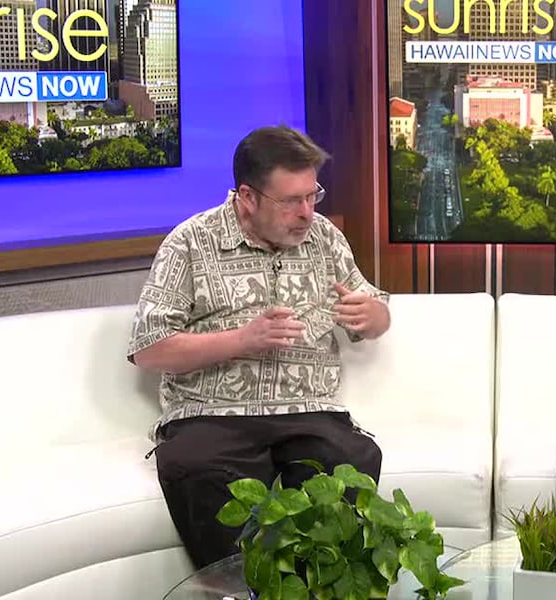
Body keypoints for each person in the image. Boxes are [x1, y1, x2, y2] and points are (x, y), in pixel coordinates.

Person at [127, 125, 390, 569]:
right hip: (212, 414)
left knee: (351, 460)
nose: (307, 213)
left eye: (313, 195)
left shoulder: (324, 238)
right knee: (201, 472)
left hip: (309, 410)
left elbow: (374, 304)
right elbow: (149, 348)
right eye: (291, 201)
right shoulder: (190, 242)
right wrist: (242, 340)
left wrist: (374, 316)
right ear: (247, 197)